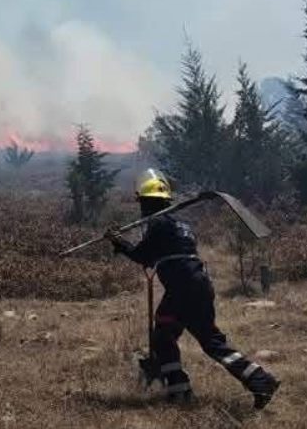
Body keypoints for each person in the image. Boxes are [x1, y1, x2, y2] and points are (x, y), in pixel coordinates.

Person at [107, 170, 280, 409]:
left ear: (146, 202)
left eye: (143, 203)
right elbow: (160, 256)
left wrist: (119, 242)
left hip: (182, 288)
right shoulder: (180, 224)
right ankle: (256, 380)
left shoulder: (158, 223)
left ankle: (183, 391)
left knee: (171, 338)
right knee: (194, 339)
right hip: (198, 285)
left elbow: (143, 256)